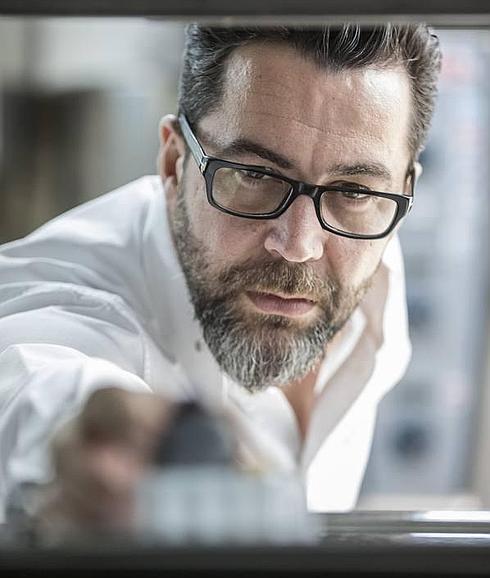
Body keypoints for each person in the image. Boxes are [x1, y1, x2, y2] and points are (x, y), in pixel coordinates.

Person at [0, 23, 441, 525]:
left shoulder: (376, 250)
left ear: (404, 192)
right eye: (254, 176)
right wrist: (106, 445)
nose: (298, 246)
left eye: (354, 191)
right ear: (174, 162)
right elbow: (31, 388)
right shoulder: (76, 301)